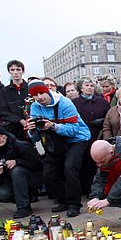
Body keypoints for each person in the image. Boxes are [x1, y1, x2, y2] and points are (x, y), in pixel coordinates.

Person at [26, 79, 90, 217]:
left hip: (77, 139)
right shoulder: (35, 107)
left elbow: (74, 129)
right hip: (55, 141)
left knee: (70, 167)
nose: (40, 98)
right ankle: (64, 200)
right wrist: (32, 130)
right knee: (48, 174)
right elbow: (35, 137)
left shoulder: (65, 103)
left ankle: (74, 203)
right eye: (35, 95)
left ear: (47, 91)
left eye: (42, 93)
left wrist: (54, 126)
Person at [72, 77, 110, 195]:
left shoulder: (102, 102)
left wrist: (102, 121)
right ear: (81, 88)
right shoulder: (74, 103)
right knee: (86, 164)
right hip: (82, 139)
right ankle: (88, 189)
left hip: (99, 137)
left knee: (101, 164)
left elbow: (109, 117)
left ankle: (103, 190)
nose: (89, 88)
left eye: (91, 85)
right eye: (86, 85)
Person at [0, 126, 43, 218]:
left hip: (33, 176)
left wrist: (17, 162)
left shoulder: (20, 145)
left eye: (1, 135)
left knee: (16, 170)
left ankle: (24, 207)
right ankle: (26, 196)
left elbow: (37, 165)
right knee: (2, 193)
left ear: (5, 135)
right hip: (11, 181)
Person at [0, 60, 29, 139]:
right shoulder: (4, 91)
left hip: (32, 125)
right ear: (9, 71)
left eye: (18, 69)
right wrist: (19, 120)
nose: (15, 72)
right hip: (14, 129)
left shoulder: (30, 88)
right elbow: (2, 111)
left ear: (23, 71)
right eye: (12, 70)